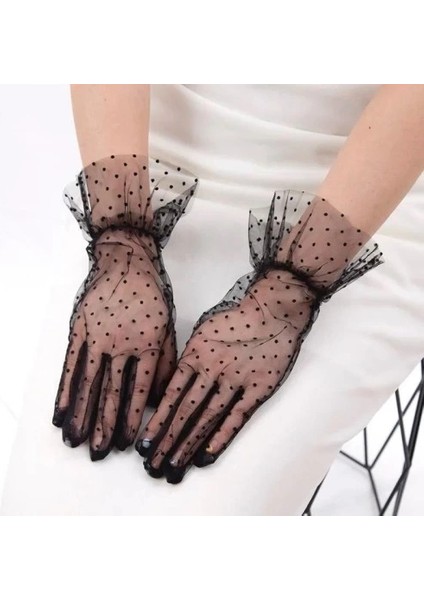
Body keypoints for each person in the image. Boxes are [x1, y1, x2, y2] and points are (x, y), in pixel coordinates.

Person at [2, 84, 424, 514]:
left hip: (368, 193)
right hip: (145, 160)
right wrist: (123, 242)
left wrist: (286, 295)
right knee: (39, 504)